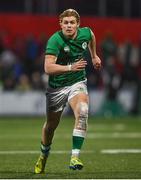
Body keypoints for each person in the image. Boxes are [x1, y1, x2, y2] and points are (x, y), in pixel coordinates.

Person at [34, 9, 101, 174]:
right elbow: (48, 68)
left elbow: (91, 35)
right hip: (57, 87)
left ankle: (75, 157)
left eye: (72, 22)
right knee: (51, 126)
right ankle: (43, 156)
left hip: (77, 82)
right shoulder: (55, 40)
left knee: (83, 111)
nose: (69, 26)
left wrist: (94, 56)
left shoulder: (85, 33)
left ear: (78, 24)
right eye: (66, 23)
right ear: (61, 24)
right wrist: (70, 67)